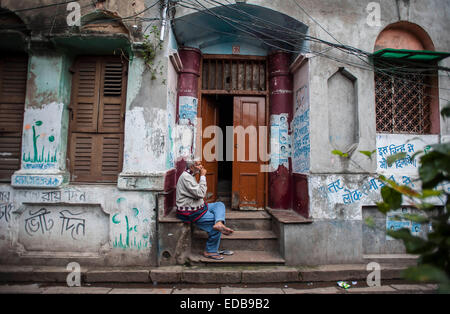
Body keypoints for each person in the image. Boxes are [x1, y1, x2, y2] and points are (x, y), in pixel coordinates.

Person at [176, 159, 234, 260]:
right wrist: (203, 176)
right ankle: (210, 251)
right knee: (213, 223)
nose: (201, 167)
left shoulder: (190, 175)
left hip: (200, 207)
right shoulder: (186, 177)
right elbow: (201, 194)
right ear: (191, 167)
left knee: (219, 205)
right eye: (198, 165)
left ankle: (219, 222)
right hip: (191, 212)